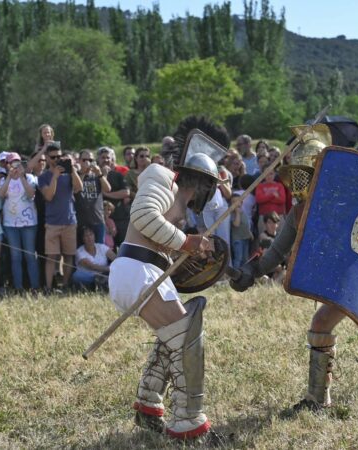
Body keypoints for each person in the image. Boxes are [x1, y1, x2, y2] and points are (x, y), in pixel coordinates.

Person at [231, 126, 358, 415]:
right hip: (333, 280)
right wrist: (251, 271)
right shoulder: (298, 212)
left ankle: (318, 400)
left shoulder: (347, 204)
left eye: (306, 173)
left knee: (321, 324)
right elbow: (276, 252)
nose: (301, 181)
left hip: (349, 278)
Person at [108, 122, 227, 441]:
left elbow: (164, 245)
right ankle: (189, 425)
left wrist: (194, 253)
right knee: (187, 339)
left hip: (144, 271)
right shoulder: (161, 176)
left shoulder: (179, 203)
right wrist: (187, 243)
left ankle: (148, 404)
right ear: (203, 182)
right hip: (135, 268)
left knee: (172, 335)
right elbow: (144, 218)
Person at [31, 141, 83, 292]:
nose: (56, 160)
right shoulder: (44, 177)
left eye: (59, 157)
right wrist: (55, 177)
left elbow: (79, 188)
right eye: (53, 157)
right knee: (51, 258)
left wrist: (72, 170)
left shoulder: (69, 174)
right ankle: (48, 287)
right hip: (52, 223)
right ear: (47, 158)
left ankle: (65, 285)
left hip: (69, 221)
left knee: (68, 256)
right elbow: (48, 196)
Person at [0, 152, 40, 291]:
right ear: (7, 165)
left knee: (29, 255)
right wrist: (10, 177)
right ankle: (18, 287)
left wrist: (21, 177)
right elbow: (1, 195)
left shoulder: (30, 178)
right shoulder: (4, 180)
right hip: (11, 224)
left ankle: (34, 286)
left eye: (17, 163)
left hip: (29, 223)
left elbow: (31, 194)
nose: (15, 166)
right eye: (12, 163)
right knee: (16, 257)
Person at [75, 149, 111, 245]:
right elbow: (76, 189)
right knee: (81, 252)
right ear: (79, 161)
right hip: (81, 221)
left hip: (98, 220)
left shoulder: (97, 175)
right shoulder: (75, 175)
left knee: (100, 250)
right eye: (84, 160)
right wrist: (83, 174)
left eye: (90, 160)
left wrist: (99, 174)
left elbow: (108, 189)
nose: (88, 162)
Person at [71, 225, 116, 290]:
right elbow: (92, 267)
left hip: (104, 273)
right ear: (83, 238)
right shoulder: (79, 252)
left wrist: (117, 267)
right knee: (76, 276)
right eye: (86, 236)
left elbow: (115, 258)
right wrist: (111, 269)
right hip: (89, 276)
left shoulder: (101, 247)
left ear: (94, 236)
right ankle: (98, 282)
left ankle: (99, 283)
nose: (89, 237)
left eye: (91, 234)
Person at [230, 193, 252, 269]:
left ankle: (243, 272)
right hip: (238, 240)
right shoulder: (233, 214)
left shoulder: (244, 212)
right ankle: (235, 272)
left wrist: (250, 233)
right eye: (233, 202)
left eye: (237, 201)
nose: (236, 204)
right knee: (238, 258)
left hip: (245, 238)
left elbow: (246, 225)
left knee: (245, 258)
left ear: (241, 202)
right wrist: (237, 213)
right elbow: (236, 224)